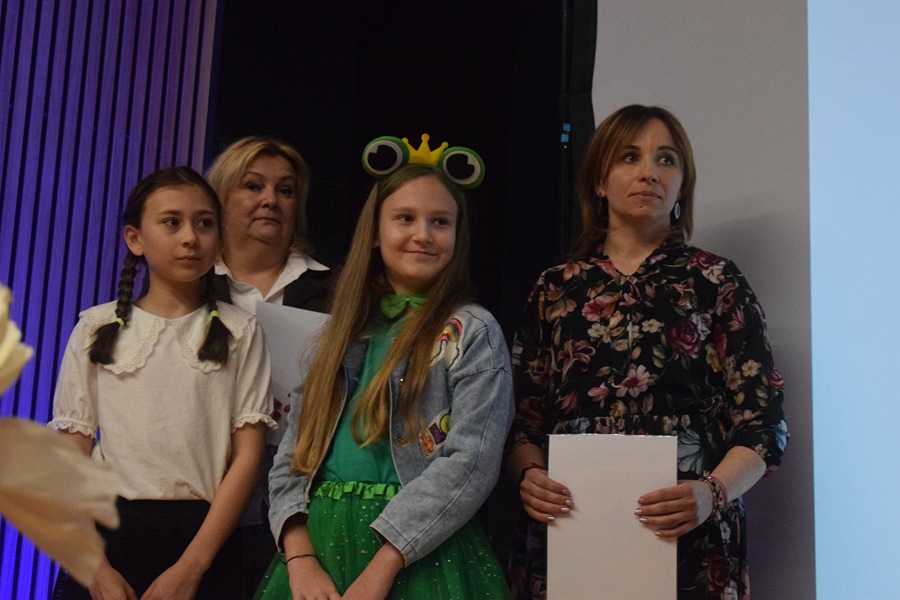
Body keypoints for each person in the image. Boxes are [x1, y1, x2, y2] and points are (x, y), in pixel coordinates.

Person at [504, 105, 788, 599]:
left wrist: (713, 493)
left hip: (692, 541)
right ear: (599, 181)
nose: (649, 172)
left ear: (682, 184)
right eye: (629, 157)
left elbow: (764, 426)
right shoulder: (554, 288)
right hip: (571, 535)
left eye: (666, 159)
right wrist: (528, 474)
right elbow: (519, 421)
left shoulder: (716, 280)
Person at [258, 163, 514, 599]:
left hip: (417, 551)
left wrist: (384, 566)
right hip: (319, 547)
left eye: (440, 222)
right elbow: (291, 456)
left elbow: (471, 461)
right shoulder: (337, 336)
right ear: (375, 233)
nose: (423, 234)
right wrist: (299, 557)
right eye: (405, 218)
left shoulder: (473, 331)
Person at [49, 167, 275, 599]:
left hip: (205, 537)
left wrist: (192, 568)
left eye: (204, 223)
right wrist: (95, 568)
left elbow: (248, 458)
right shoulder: (96, 327)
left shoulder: (241, 331)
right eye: (172, 222)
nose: (190, 237)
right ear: (135, 238)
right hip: (106, 534)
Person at [206, 136, 333, 595]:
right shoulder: (186, 285)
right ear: (220, 197)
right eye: (253, 186)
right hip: (200, 500)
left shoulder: (336, 289)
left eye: (285, 190)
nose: (270, 200)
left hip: (303, 508)